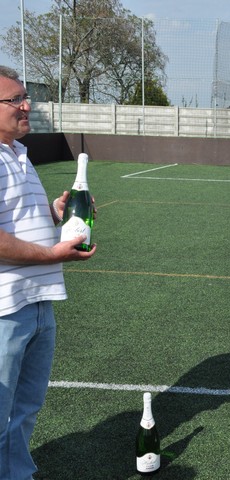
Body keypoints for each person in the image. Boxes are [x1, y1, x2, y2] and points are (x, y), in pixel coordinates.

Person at [0, 66, 96, 479]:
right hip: (5, 309)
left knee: (25, 408)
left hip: (38, 303)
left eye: (26, 98)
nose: (27, 106)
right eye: (15, 99)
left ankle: (16, 473)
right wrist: (53, 254)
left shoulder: (18, 153)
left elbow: (16, 220)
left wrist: (54, 212)